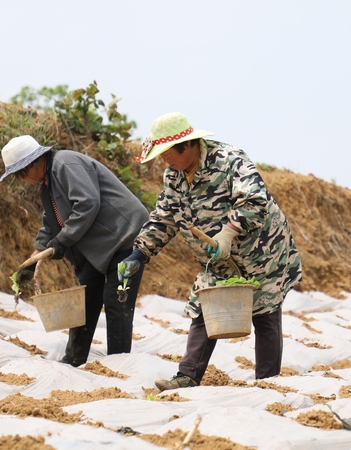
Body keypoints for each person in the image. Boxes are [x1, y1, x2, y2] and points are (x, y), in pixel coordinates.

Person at [118, 112, 302, 391]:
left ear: (188, 145)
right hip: (218, 258)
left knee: (264, 311)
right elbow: (165, 217)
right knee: (204, 308)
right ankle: (188, 376)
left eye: (168, 153)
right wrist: (139, 254)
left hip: (261, 251)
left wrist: (228, 233)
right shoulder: (175, 176)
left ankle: (267, 383)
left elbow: (255, 200)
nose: (165, 161)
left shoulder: (230, 160)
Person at [0, 135, 149, 366]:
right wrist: (32, 260)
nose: (21, 179)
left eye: (20, 173)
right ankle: (73, 359)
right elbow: (51, 223)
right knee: (85, 301)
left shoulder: (65, 164)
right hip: (99, 247)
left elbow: (88, 203)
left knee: (116, 302)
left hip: (124, 237)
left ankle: (119, 366)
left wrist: (63, 240)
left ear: (33, 163)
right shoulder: (46, 188)